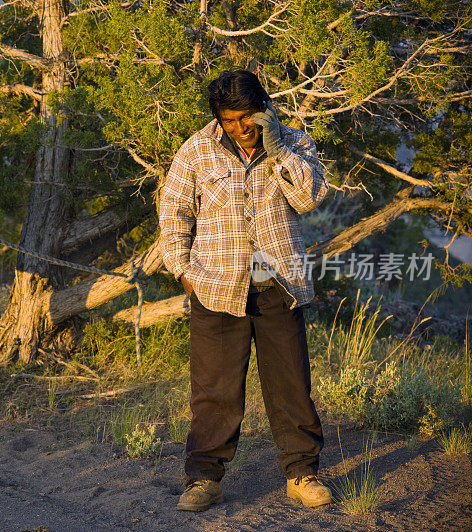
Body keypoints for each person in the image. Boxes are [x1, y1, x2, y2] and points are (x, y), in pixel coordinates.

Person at [159, 70, 331, 512]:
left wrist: (278, 153)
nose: (241, 127)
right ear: (219, 118)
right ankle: (204, 481)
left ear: (265, 107)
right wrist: (186, 276)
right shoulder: (196, 150)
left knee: (290, 384)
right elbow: (175, 215)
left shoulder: (294, 143)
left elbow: (310, 197)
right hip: (216, 288)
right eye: (230, 120)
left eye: (247, 116)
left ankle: (302, 474)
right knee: (215, 391)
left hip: (279, 283)